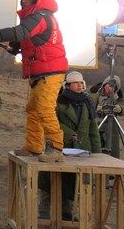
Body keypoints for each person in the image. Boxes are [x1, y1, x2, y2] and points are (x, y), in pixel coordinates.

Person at [0, 0, 68, 162]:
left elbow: (22, 32)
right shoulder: (38, 16)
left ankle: (56, 148)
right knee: (33, 110)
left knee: (44, 108)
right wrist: (16, 47)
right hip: (42, 71)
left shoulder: (40, 16)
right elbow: (31, 39)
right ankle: (34, 147)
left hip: (50, 71)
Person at [39, 71, 100, 219]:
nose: (79, 86)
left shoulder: (87, 103)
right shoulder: (59, 101)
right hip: (60, 146)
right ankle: (44, 211)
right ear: (68, 85)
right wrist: (67, 132)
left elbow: (93, 130)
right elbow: (51, 123)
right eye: (76, 83)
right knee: (51, 179)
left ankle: (67, 212)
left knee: (73, 182)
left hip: (81, 149)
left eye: (81, 83)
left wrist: (98, 153)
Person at [90, 75, 124, 159]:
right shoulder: (94, 92)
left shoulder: (118, 95)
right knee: (94, 151)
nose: (111, 89)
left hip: (110, 127)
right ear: (104, 84)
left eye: (114, 87)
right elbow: (86, 105)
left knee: (111, 153)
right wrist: (95, 109)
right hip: (95, 125)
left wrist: (120, 109)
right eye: (109, 86)